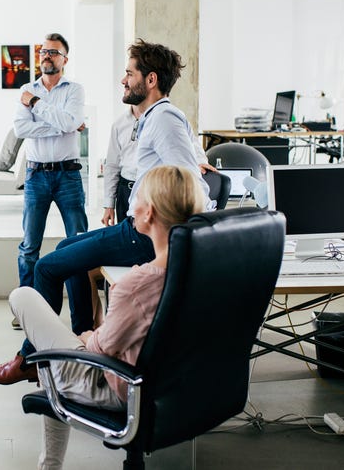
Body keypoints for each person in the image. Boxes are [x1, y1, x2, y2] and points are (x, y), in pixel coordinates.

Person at [0, 39, 210, 385]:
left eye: (129, 74)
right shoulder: (150, 118)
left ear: (150, 80)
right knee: (64, 253)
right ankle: (81, 340)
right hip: (137, 226)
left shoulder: (163, 119)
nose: (123, 80)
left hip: (144, 235)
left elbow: (190, 181)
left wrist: (170, 228)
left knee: (47, 266)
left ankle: (29, 359)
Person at [13, 165, 205, 469]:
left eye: (136, 197)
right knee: (59, 356)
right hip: (181, 384)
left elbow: (100, 350)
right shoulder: (207, 270)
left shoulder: (135, 285)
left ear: (149, 214)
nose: (133, 205)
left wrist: (87, 336)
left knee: (23, 298)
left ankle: (49, 465)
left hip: (119, 389)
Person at [12, 33, 87, 290]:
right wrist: (62, 126)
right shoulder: (26, 89)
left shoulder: (74, 90)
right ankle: (27, 306)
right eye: (43, 51)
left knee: (78, 243)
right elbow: (21, 129)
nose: (46, 55)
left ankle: (82, 311)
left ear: (65, 59)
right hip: (36, 176)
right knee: (29, 246)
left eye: (53, 52)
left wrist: (35, 105)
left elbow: (70, 122)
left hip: (69, 176)